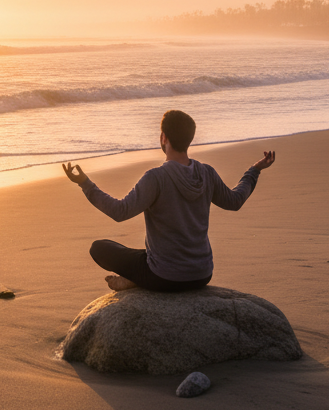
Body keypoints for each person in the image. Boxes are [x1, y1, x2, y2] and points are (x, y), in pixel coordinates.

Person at [62, 110, 275, 292]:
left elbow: (120, 211)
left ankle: (137, 280)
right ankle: (138, 277)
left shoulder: (156, 178)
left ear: (163, 137)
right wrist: (255, 170)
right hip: (202, 274)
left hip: (165, 278)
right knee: (144, 254)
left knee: (99, 248)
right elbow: (235, 200)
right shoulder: (206, 173)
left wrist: (85, 183)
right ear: (189, 139)